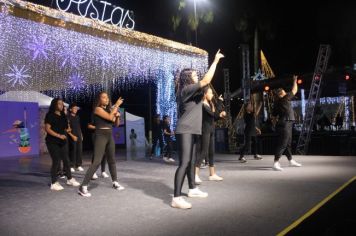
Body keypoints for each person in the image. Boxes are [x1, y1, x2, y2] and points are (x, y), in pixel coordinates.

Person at [171, 49, 224, 209]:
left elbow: (205, 85)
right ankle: (176, 198)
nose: (197, 76)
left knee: (192, 161)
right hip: (185, 129)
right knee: (185, 163)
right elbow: (206, 80)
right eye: (194, 75)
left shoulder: (193, 93)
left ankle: (192, 189)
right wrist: (215, 61)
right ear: (188, 78)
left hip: (193, 130)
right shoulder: (185, 90)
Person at [78, 92, 124, 197]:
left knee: (112, 160)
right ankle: (83, 186)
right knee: (97, 161)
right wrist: (116, 106)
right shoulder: (97, 109)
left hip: (109, 136)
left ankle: (115, 182)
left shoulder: (109, 110)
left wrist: (117, 116)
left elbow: (116, 124)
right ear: (99, 100)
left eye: (107, 97)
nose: (106, 99)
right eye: (104, 97)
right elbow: (108, 117)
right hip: (100, 136)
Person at [44, 98, 80, 190]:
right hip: (52, 141)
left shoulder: (63, 115)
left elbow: (65, 128)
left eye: (62, 104)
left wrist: (67, 129)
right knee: (56, 161)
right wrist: (59, 135)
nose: (61, 105)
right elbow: (47, 129)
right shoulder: (50, 115)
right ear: (55, 105)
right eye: (59, 104)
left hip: (62, 141)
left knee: (66, 160)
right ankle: (54, 183)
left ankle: (70, 179)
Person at [195, 87, 226, 184]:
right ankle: (195, 175)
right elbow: (215, 115)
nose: (212, 94)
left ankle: (212, 174)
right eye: (210, 93)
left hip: (211, 130)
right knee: (203, 152)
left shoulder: (209, 104)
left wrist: (220, 116)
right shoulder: (203, 105)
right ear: (204, 94)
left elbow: (213, 118)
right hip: (205, 130)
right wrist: (220, 103)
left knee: (211, 152)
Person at [271, 76, 302, 171]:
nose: (286, 92)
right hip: (285, 123)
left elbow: (273, 116)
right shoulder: (284, 98)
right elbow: (295, 90)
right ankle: (276, 163)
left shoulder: (277, 103)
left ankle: (290, 160)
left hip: (284, 123)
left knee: (287, 143)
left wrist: (274, 123)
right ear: (281, 94)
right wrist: (294, 81)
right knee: (283, 143)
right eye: (284, 91)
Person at [87, 114, 109, 179]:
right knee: (96, 153)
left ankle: (103, 171)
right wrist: (98, 128)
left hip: (104, 135)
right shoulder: (95, 115)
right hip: (96, 135)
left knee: (104, 153)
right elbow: (89, 126)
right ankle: (93, 172)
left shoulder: (106, 115)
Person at [67, 103, 84, 172]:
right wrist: (72, 135)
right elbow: (67, 128)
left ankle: (78, 165)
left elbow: (79, 126)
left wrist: (81, 134)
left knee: (79, 150)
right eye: (74, 108)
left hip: (78, 135)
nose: (76, 110)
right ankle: (71, 165)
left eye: (76, 108)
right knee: (73, 151)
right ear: (70, 109)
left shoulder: (77, 117)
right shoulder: (68, 117)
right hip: (72, 135)